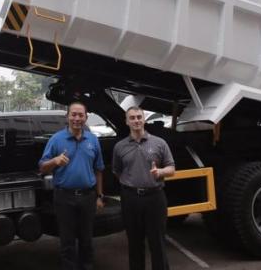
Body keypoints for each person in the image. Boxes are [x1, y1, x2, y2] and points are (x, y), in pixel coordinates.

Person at [39, 101, 105, 270]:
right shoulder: (56, 139)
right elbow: (42, 167)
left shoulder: (92, 139)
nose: (77, 118)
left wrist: (99, 196)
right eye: (73, 114)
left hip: (88, 197)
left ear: (86, 117)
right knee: (67, 242)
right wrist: (55, 161)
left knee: (86, 240)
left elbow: (98, 170)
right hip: (64, 197)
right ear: (67, 116)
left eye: (80, 115)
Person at [112, 106, 175, 270]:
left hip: (155, 198)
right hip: (130, 199)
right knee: (134, 242)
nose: (136, 120)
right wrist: (133, 183)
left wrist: (160, 172)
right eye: (132, 118)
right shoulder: (120, 147)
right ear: (127, 122)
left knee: (158, 242)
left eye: (139, 117)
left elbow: (172, 169)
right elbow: (117, 171)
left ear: (144, 119)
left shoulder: (159, 143)